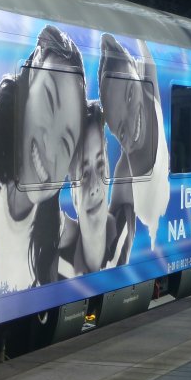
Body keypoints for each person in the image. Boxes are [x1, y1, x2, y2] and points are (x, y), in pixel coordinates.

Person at [0, 25, 86, 292]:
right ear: (29, 82)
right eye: (50, 102)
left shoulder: (57, 231)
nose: (51, 150)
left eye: (66, 142)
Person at [98, 34, 170, 250]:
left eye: (129, 95)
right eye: (121, 131)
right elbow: (111, 229)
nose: (131, 124)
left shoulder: (150, 93)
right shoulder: (124, 175)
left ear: (138, 77)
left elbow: (148, 58)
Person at [57, 102, 134, 278]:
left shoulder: (124, 230)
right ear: (73, 195)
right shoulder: (59, 265)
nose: (94, 186)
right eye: (84, 174)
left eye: (100, 165)